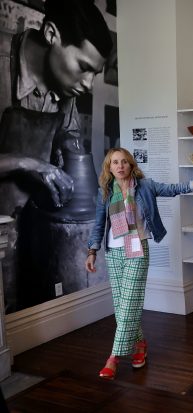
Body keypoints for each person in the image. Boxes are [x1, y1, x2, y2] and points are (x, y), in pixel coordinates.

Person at [0, 0, 112, 311]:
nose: (88, 85)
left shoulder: (65, 92)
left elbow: (73, 152)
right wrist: (28, 164)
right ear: (52, 34)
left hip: (27, 232)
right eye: (84, 68)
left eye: (96, 74)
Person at [85, 148, 193, 380]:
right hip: (113, 253)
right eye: (115, 163)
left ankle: (114, 357)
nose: (120, 166)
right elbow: (99, 225)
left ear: (131, 165)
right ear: (109, 168)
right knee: (123, 307)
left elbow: (174, 189)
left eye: (124, 162)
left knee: (129, 302)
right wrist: (92, 251)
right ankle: (140, 344)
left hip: (138, 249)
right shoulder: (106, 192)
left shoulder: (145, 186)